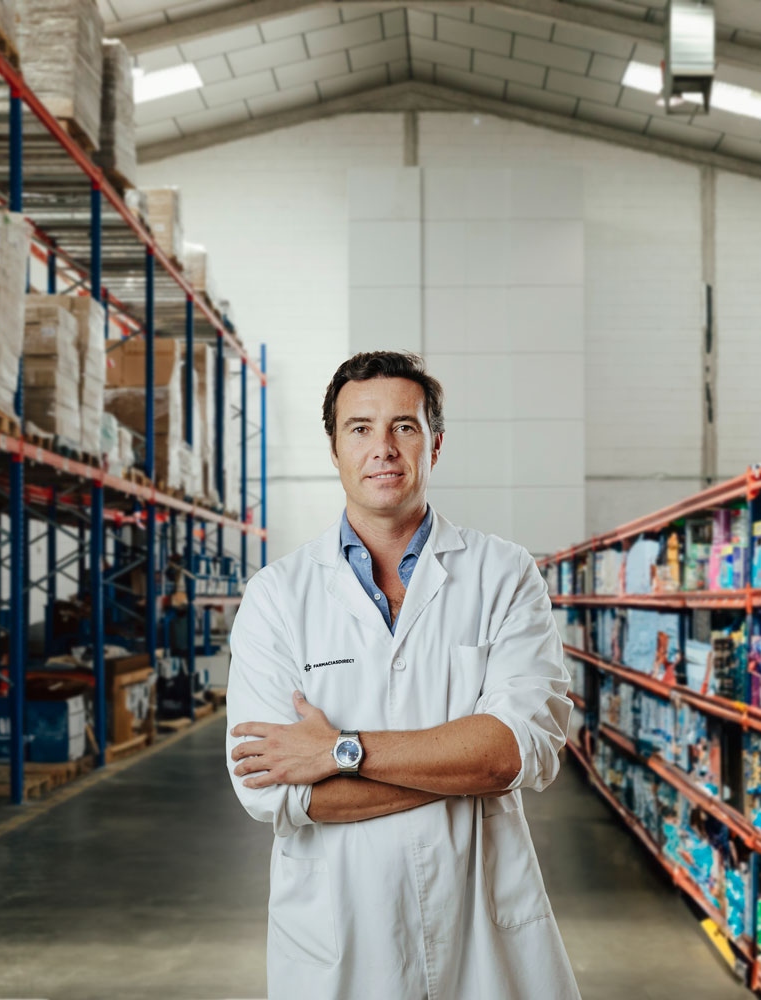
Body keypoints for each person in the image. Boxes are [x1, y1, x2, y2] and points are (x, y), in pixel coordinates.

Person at [225, 351, 580, 999]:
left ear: (435, 445)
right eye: (359, 428)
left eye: (404, 427)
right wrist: (457, 765)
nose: (382, 448)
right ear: (333, 448)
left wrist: (340, 752)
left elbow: (516, 753)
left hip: (482, 929)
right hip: (340, 937)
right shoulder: (277, 596)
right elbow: (270, 791)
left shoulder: (503, 575)